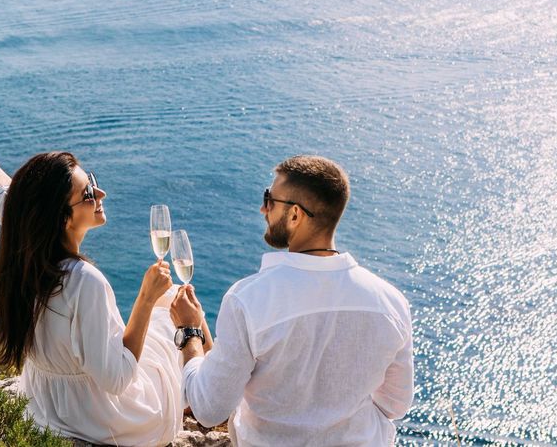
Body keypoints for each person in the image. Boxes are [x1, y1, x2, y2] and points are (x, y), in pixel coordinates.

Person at [0, 117, 191, 446]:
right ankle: (213, 401)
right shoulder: (85, 282)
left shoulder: (25, 243)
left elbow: (4, 190)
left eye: (92, 181)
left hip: (46, 409)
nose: (101, 192)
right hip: (102, 419)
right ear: (63, 218)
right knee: (178, 310)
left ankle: (212, 393)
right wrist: (145, 299)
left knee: (172, 305)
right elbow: (117, 379)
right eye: (88, 193)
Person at [169, 155, 414, 446]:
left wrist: (190, 332)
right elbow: (395, 405)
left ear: (295, 215)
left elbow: (208, 409)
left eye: (269, 200)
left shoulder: (249, 299)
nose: (263, 208)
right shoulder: (390, 302)